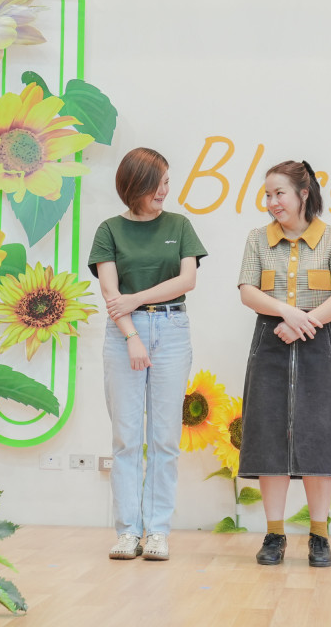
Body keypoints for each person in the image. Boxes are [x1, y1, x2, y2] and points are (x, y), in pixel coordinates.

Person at [88, 148, 207, 562]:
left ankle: (157, 531)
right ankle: (127, 532)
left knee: (164, 438)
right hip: (124, 334)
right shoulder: (109, 230)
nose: (164, 190)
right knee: (126, 437)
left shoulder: (179, 225)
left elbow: (186, 280)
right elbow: (110, 294)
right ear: (134, 184)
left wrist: (136, 299)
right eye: (157, 183)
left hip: (172, 329)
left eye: (167, 181)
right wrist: (132, 336)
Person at [237, 160, 331, 568]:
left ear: (303, 194)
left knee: (320, 435)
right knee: (268, 435)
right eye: (268, 195)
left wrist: (306, 322)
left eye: (279, 193)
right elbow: (248, 291)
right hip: (269, 341)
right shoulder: (257, 239)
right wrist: (288, 313)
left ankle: (319, 535)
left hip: (320, 344)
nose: (272, 202)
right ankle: (274, 534)